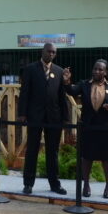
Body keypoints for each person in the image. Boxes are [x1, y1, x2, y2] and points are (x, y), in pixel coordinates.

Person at [63, 59, 108, 199]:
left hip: (105, 127)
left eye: (100, 69)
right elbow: (71, 91)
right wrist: (66, 81)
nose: (97, 71)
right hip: (88, 126)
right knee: (87, 157)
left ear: (105, 72)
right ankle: (86, 185)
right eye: (95, 68)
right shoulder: (84, 84)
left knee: (106, 158)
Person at [18, 43, 69, 195]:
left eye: (54, 52)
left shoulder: (59, 71)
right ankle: (28, 184)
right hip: (35, 116)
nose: (51, 54)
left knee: (52, 151)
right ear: (43, 51)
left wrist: (65, 117)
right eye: (49, 51)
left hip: (54, 118)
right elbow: (24, 92)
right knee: (32, 149)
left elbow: (62, 96)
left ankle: (54, 184)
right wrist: (22, 113)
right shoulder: (30, 69)